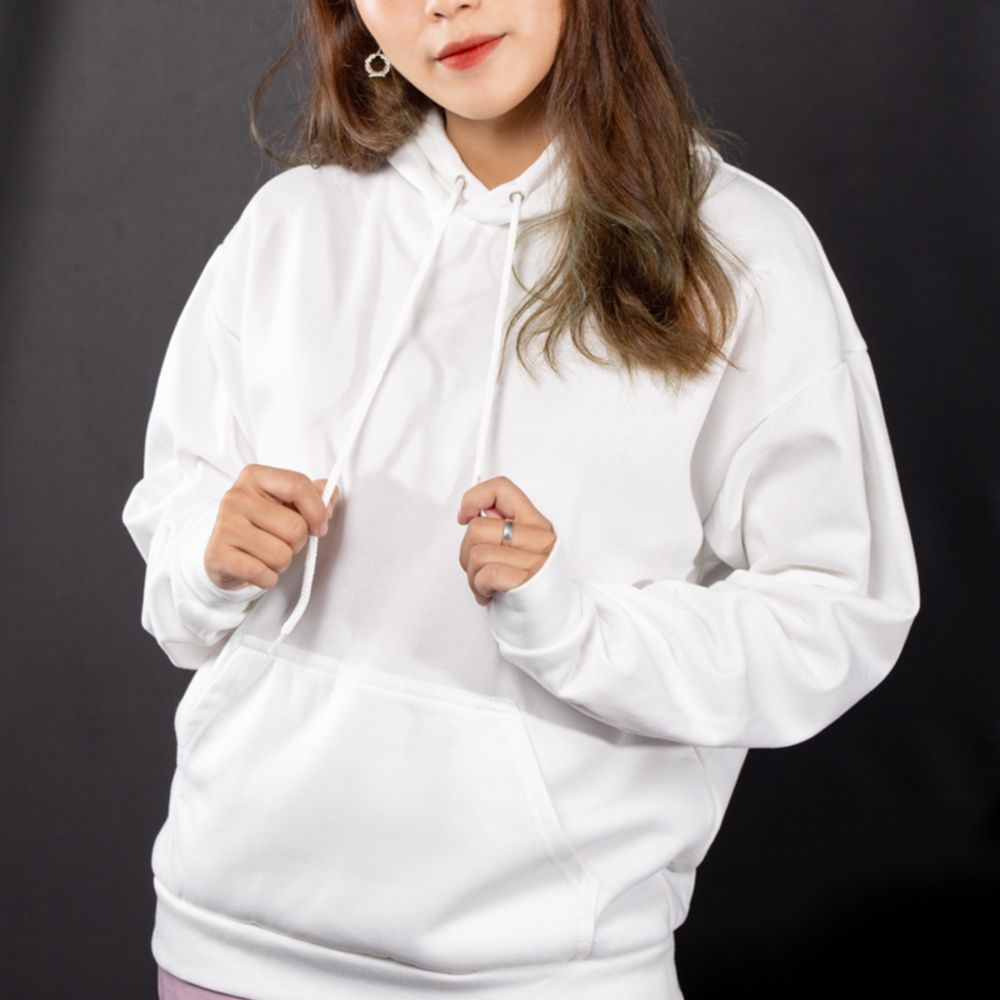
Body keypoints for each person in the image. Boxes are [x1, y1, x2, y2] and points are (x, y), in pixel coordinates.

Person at [122, 1, 921, 998]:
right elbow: (176, 564)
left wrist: (578, 626)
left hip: (549, 966)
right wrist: (208, 553)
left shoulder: (740, 250)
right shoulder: (293, 227)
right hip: (226, 946)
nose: (441, 5)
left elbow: (837, 609)